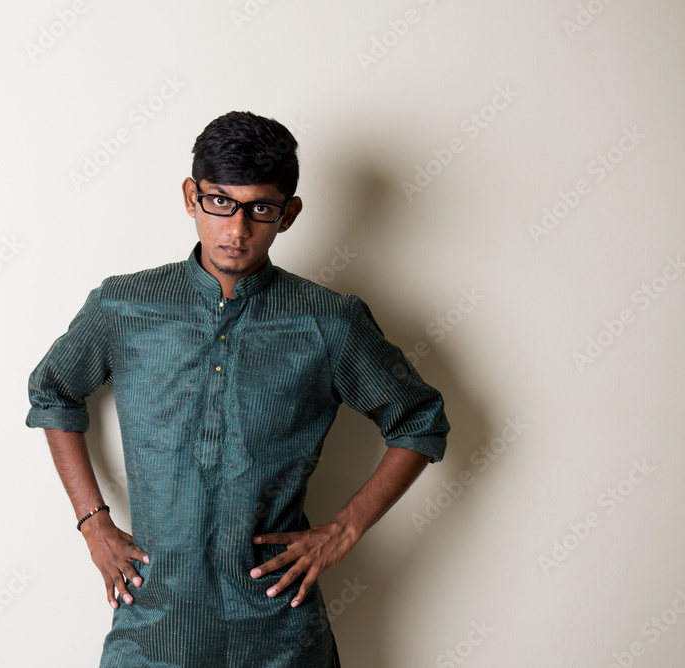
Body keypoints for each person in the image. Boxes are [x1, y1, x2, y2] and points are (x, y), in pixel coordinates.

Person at [26, 110, 451, 667]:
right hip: (152, 627)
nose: (236, 230)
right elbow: (53, 392)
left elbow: (420, 421)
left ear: (288, 214)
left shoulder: (328, 321)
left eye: (260, 209)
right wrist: (93, 524)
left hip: (279, 630)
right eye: (220, 202)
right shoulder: (124, 307)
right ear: (191, 197)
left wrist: (344, 530)